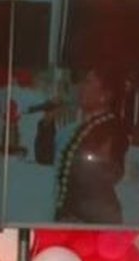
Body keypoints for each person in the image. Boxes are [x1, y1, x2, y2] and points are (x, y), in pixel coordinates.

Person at [54, 67, 128, 225]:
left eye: (88, 82)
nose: (81, 87)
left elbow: (108, 172)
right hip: (76, 215)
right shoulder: (82, 127)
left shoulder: (111, 128)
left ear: (105, 95)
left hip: (94, 219)